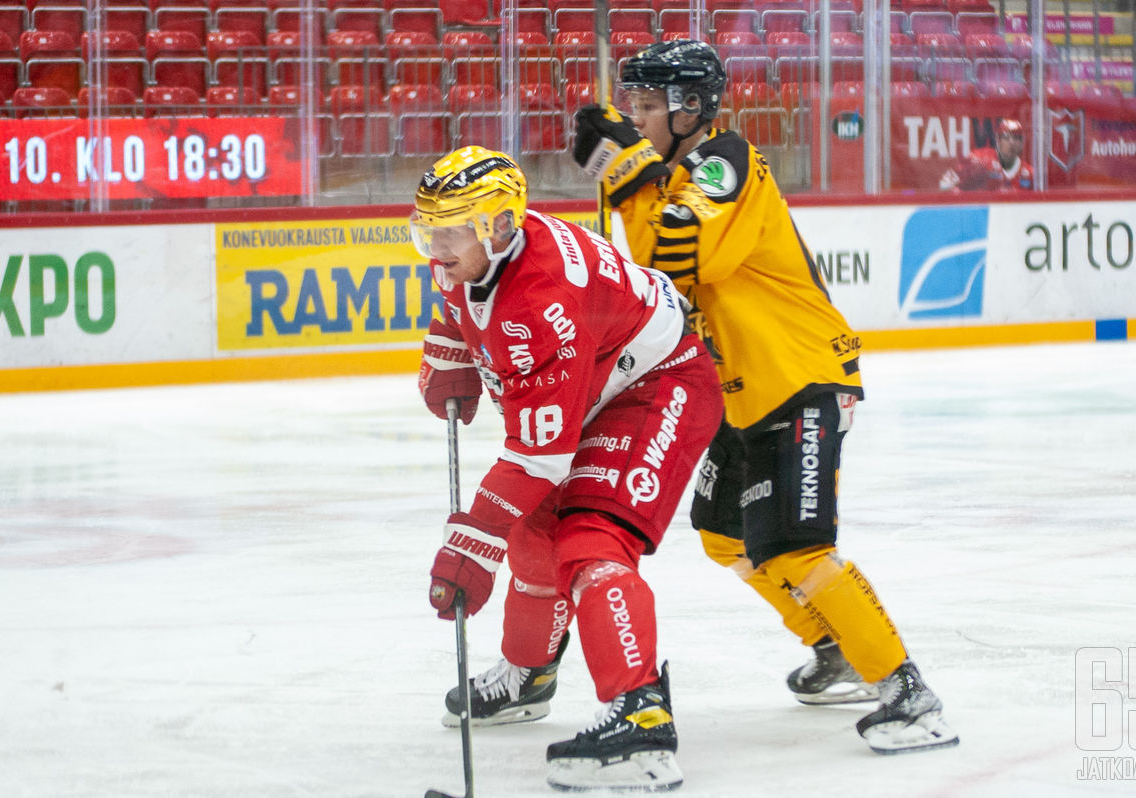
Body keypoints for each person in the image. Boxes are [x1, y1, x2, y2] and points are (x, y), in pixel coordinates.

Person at [571, 39, 959, 755]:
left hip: (799, 378)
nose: (638, 119)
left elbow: (681, 255)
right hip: (741, 392)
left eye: (650, 107)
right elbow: (663, 277)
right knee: (725, 536)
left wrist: (624, 172)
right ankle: (831, 642)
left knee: (796, 546)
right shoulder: (675, 173)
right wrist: (630, 176)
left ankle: (908, 693)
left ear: (691, 110)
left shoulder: (724, 160)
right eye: (634, 107)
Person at [413, 145, 723, 791]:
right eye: (427, 229)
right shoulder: (487, 254)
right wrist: (450, 349)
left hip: (658, 390)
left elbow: (537, 454)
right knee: (530, 531)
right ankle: (529, 675)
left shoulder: (539, 298)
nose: (435, 247)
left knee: (590, 542)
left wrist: (472, 539)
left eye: (449, 230)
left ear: (499, 225)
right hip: (595, 389)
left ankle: (641, 719)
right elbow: (459, 297)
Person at [939, 118, 1034, 192]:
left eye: (1017, 138)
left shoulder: (1029, 172)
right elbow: (944, 184)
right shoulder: (980, 158)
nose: (1012, 142)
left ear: (1022, 142)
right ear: (998, 140)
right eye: (1007, 138)